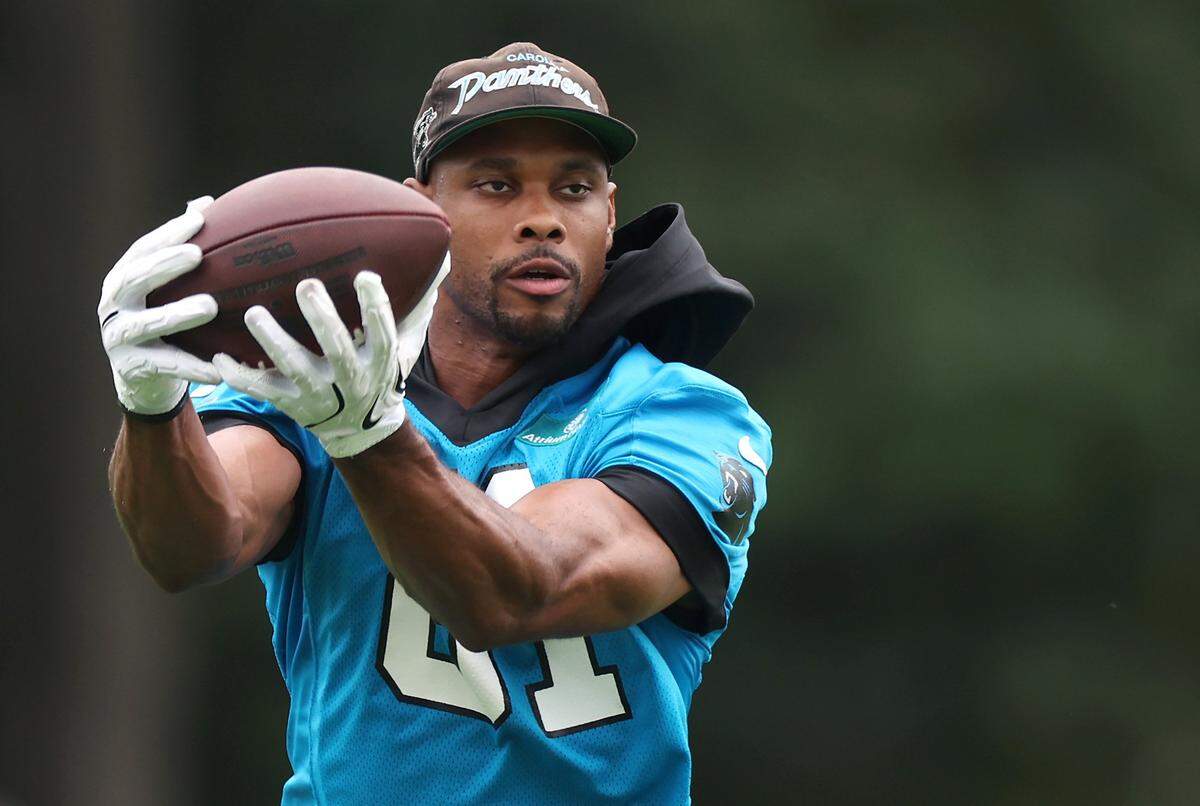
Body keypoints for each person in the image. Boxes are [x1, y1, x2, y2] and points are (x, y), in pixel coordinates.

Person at [100, 42, 772, 805]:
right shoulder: (311, 382)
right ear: (421, 212)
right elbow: (189, 548)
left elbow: (522, 594)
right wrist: (152, 403)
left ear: (610, 214)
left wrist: (370, 436)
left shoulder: (687, 415)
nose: (542, 220)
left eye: (574, 189)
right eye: (497, 186)